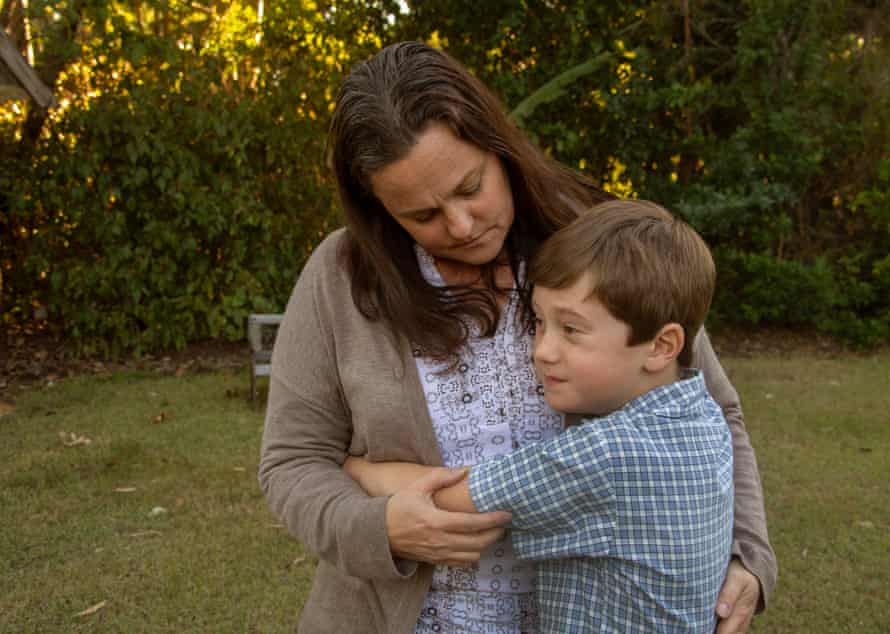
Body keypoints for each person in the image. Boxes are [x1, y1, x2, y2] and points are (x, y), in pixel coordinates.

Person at [258, 41, 776, 634]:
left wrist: (748, 556)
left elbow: (712, 408)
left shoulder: (609, 247)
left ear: (498, 147)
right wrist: (380, 529)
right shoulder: (342, 278)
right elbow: (293, 462)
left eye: (469, 187)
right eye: (421, 216)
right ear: (381, 212)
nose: (459, 225)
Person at [345, 200, 734, 632]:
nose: (542, 350)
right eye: (539, 323)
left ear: (662, 346)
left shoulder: (607, 454)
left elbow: (452, 498)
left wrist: (356, 467)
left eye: (571, 329)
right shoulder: (703, 418)